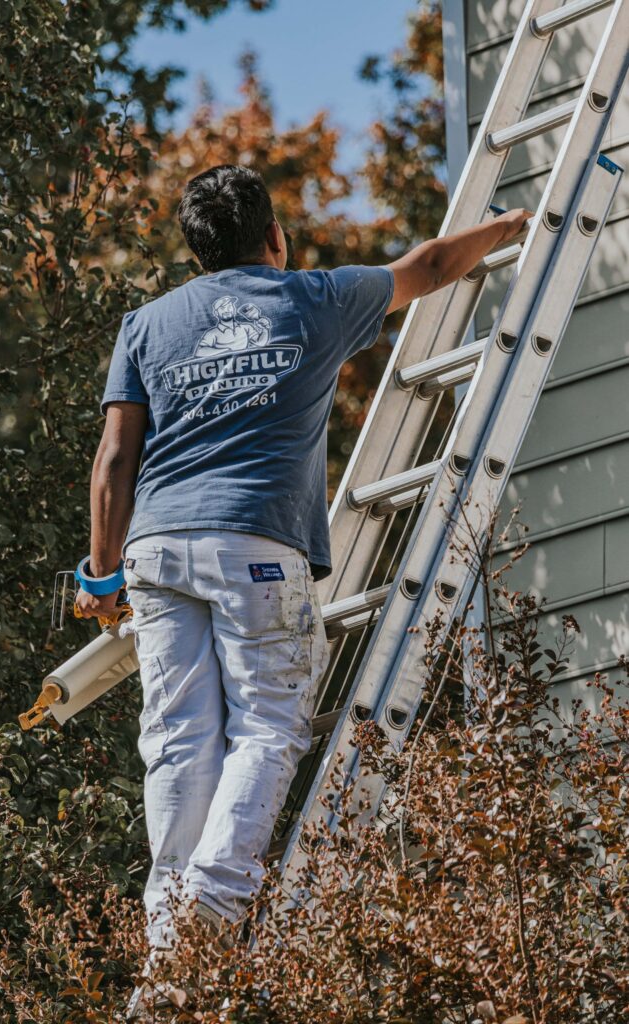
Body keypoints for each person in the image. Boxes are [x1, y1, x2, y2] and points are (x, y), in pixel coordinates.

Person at [75, 164, 529, 995]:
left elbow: (114, 458)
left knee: (176, 736)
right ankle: (206, 915)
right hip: (254, 545)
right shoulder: (312, 299)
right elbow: (427, 267)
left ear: (196, 252)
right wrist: (506, 227)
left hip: (156, 550)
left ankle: (169, 925)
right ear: (273, 239)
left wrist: (100, 578)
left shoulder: (146, 324)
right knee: (268, 728)